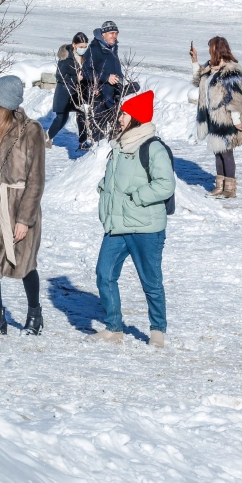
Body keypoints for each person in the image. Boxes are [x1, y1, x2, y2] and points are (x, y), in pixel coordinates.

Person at [92, 90, 174, 348]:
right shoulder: (120, 145)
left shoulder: (152, 147)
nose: (120, 118)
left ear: (136, 118)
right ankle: (114, 328)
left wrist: (138, 196)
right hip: (118, 225)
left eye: (125, 114)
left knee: (151, 281)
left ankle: (157, 330)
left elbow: (165, 185)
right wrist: (104, 188)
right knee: (104, 274)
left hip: (146, 227)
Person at [0, 75, 47, 336]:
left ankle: (35, 313)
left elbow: (36, 180)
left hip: (19, 204)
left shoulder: (32, 131)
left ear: (2, 103)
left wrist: (24, 219)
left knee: (25, 264)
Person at [190, 36, 242, 198]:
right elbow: (197, 81)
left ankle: (230, 188)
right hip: (212, 116)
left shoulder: (231, 69)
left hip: (227, 117)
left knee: (226, 152)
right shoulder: (210, 67)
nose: (209, 50)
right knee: (217, 150)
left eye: (211, 47)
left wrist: (236, 121)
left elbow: (235, 96)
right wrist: (195, 61)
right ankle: (219, 185)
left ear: (218, 49)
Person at [81, 20, 124, 142]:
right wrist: (106, 77)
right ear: (103, 34)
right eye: (111, 33)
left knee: (119, 125)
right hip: (98, 95)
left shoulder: (113, 47)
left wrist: (120, 79)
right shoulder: (94, 49)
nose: (114, 36)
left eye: (116, 33)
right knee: (99, 128)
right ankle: (96, 155)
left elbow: (115, 69)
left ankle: (114, 152)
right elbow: (86, 72)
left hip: (113, 94)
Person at [47, 32, 90, 148]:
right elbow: (59, 76)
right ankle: (47, 137)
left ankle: (83, 142)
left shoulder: (87, 57)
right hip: (65, 92)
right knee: (61, 118)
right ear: (74, 45)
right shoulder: (66, 57)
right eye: (81, 47)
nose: (84, 49)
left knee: (82, 116)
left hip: (80, 92)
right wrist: (76, 78)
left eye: (85, 46)